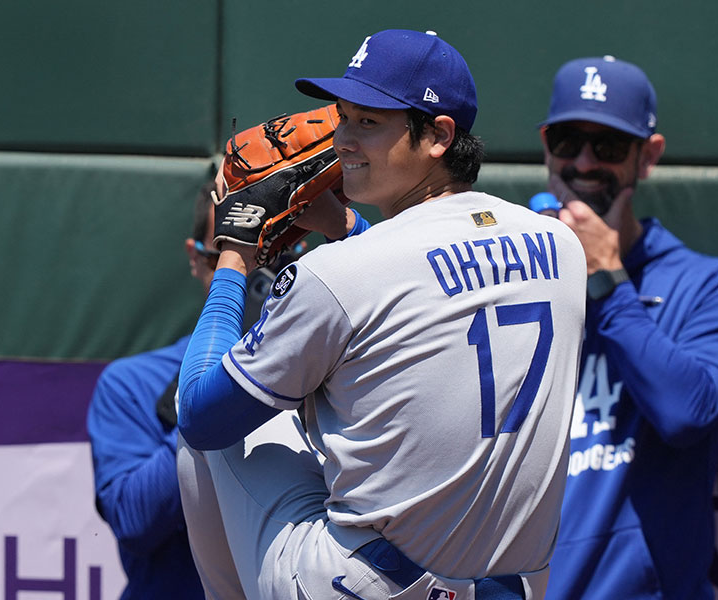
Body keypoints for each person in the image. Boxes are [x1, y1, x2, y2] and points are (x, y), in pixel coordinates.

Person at [176, 29, 587, 600]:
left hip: (371, 586)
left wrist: (233, 259)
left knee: (211, 426)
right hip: (512, 588)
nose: (341, 139)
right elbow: (426, 276)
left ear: (439, 135)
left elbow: (201, 415)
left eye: (368, 122)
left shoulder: (335, 275)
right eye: (342, 117)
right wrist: (344, 226)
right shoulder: (562, 246)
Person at [533, 56, 718, 599]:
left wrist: (608, 279)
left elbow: (686, 413)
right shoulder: (512, 276)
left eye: (609, 146)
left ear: (648, 156)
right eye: (568, 141)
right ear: (546, 146)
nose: (584, 162)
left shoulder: (714, 285)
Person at [87, 180, 282, 599]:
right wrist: (207, 391)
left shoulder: (318, 373)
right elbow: (134, 521)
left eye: (270, 258)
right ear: (197, 259)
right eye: (228, 255)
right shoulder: (130, 383)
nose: (254, 275)